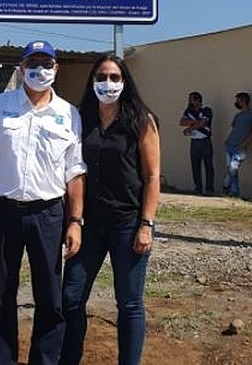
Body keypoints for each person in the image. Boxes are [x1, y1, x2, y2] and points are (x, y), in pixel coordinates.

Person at [0, 40, 86, 365]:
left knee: (49, 297)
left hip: (48, 215)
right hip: (3, 211)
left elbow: (74, 173)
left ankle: (43, 360)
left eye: (46, 63)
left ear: (56, 69)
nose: (39, 70)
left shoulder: (68, 114)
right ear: (21, 68)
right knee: (2, 295)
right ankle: (4, 359)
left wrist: (74, 221)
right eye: (32, 63)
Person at [60, 55, 160, 365]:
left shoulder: (141, 120)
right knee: (71, 298)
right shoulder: (81, 119)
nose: (108, 83)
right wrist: (72, 220)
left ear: (125, 81)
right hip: (88, 225)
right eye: (102, 76)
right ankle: (69, 359)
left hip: (127, 224)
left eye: (115, 77)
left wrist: (146, 224)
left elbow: (152, 175)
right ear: (92, 82)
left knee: (129, 304)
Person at [222, 92, 252, 198]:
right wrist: (227, 141)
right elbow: (234, 129)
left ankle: (227, 185)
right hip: (229, 145)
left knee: (233, 168)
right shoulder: (237, 116)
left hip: (240, 148)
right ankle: (234, 191)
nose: (236, 103)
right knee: (231, 169)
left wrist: (244, 144)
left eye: (238, 101)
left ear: (243, 101)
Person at [179, 91, 214, 195]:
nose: (191, 102)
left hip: (205, 140)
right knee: (195, 165)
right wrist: (196, 122)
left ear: (198, 100)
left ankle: (209, 188)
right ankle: (198, 187)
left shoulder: (207, 110)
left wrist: (189, 128)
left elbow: (203, 123)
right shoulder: (189, 111)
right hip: (194, 141)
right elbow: (182, 122)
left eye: (193, 99)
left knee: (208, 165)